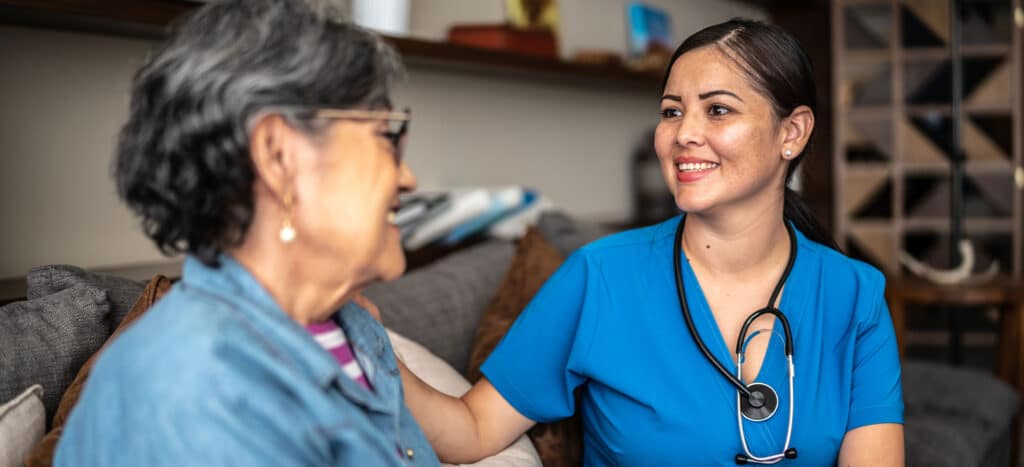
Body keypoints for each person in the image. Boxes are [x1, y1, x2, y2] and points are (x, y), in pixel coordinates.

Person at [395, 19, 904, 466]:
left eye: (718, 110)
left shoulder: (854, 295)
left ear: (791, 132)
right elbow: (471, 431)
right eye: (671, 111)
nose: (683, 134)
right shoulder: (600, 277)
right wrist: (367, 342)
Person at [55, 0, 439, 465]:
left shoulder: (350, 329)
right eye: (386, 135)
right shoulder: (197, 392)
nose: (408, 178)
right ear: (278, 156)